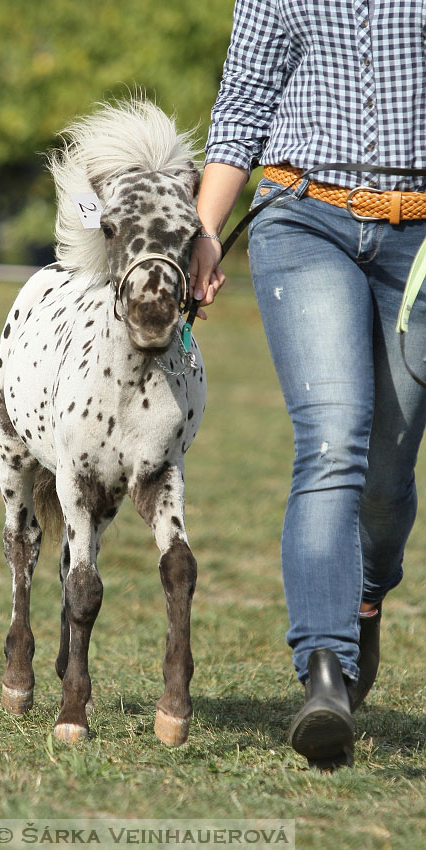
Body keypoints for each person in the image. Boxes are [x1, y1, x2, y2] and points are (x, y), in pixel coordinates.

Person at [189, 0, 426, 769]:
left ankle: (363, 598)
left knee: (388, 477)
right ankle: (323, 673)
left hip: (417, 235)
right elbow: (241, 104)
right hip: (303, 216)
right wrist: (201, 232)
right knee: (331, 439)